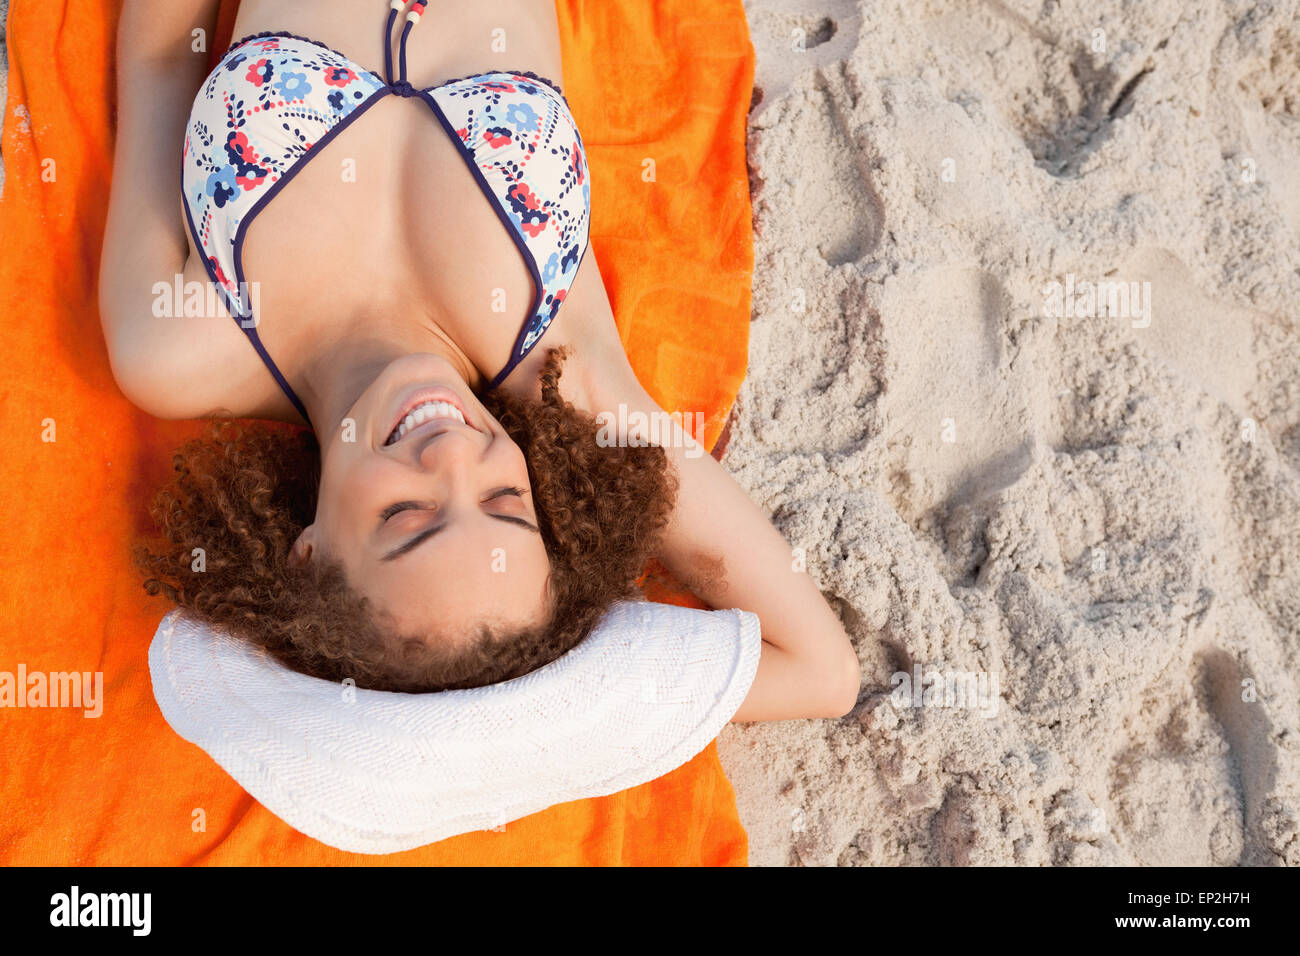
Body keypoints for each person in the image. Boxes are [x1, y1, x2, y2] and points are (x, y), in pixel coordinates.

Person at [99, 0, 860, 720]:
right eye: (505, 503)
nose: (456, 453)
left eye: (407, 514)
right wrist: (525, 714)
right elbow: (822, 670)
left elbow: (165, 60)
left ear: (307, 557)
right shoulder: (562, 371)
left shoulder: (177, 347)